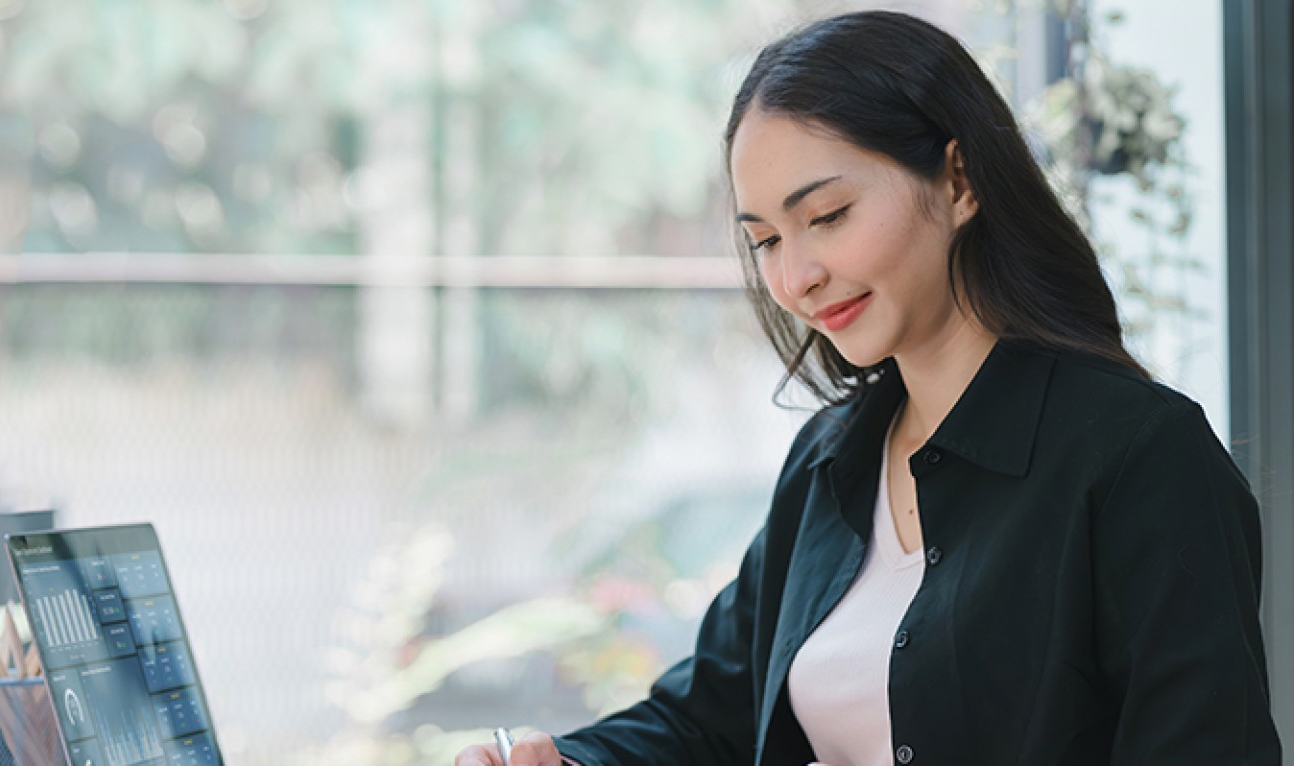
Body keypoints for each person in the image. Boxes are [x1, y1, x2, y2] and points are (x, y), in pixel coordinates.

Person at [456, 9, 1281, 766]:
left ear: (959, 182)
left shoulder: (1138, 456)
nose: (797, 276)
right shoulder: (830, 462)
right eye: (767, 240)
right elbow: (709, 717)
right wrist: (568, 761)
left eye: (827, 216)